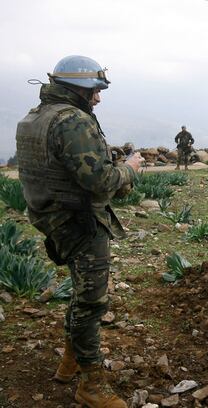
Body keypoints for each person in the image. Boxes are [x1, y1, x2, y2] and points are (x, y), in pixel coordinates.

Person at [16, 55, 143, 408]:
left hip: (52, 218)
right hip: (80, 222)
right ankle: (92, 384)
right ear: (77, 89)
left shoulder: (35, 117)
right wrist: (130, 169)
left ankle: (70, 359)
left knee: (81, 289)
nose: (98, 98)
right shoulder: (72, 120)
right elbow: (100, 182)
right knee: (91, 301)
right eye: (95, 91)